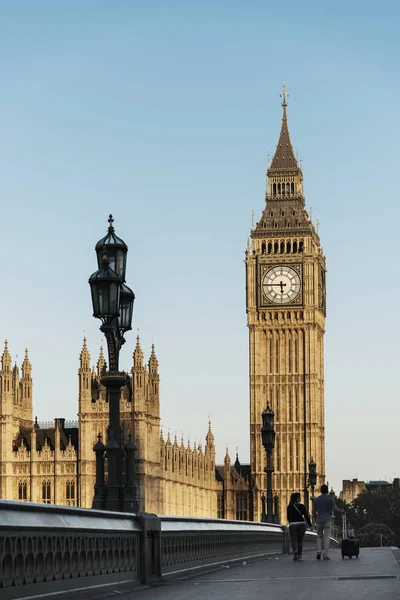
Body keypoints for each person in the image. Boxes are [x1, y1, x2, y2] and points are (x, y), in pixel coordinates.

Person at [312, 485, 344, 560]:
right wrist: (342, 511)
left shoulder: (316, 500)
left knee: (319, 536)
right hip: (327, 520)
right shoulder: (330, 499)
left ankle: (319, 552)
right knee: (326, 537)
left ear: (321, 491)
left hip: (319, 519)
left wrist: (316, 518)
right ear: (327, 491)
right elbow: (335, 508)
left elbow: (313, 511)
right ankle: (325, 554)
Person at [287, 492, 312, 561]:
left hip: (293, 524)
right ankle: (300, 556)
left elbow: (288, 517)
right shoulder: (302, 506)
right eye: (300, 497)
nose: (300, 498)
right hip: (301, 524)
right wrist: (310, 525)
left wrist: (291, 523)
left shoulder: (289, 507)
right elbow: (306, 516)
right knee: (300, 541)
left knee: (294, 540)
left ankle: (295, 551)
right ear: (298, 498)